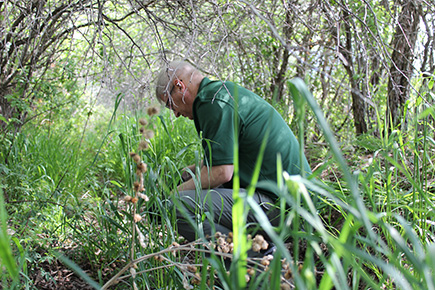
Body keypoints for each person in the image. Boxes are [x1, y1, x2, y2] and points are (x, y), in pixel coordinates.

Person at [155, 60, 311, 244]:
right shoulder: (220, 93)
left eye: (171, 105)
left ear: (179, 86)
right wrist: (178, 175)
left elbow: (220, 173)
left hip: (283, 208)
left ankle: (254, 260)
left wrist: (170, 195)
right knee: (187, 183)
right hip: (291, 204)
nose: (175, 114)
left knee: (176, 205)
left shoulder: (212, 102)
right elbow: (215, 164)